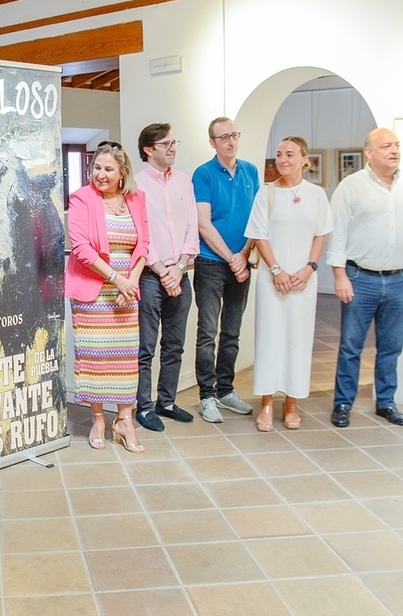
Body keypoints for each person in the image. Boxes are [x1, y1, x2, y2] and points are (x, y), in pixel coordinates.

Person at [326, 128, 403, 428]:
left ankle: (386, 402)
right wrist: (339, 276)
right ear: (369, 152)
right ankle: (343, 403)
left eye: (396, 145)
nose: (394, 150)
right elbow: (337, 233)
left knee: (391, 347)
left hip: (398, 281)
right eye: (386, 146)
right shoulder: (351, 186)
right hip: (360, 278)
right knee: (351, 347)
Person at [65, 141, 149, 453]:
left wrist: (131, 282)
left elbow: (144, 245)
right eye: (97, 168)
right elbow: (81, 249)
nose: (100, 174)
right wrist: (116, 278)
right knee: (96, 357)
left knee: (126, 358)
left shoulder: (136, 199)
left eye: (108, 169)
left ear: (122, 172)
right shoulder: (82, 199)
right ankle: (99, 418)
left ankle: (124, 420)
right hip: (94, 291)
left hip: (127, 291)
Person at [245, 137, 332, 431]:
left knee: (298, 338)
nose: (283, 159)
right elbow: (259, 234)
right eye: (279, 154)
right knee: (269, 338)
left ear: (304, 159)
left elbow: (321, 234)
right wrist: (277, 269)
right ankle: (267, 402)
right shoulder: (266, 193)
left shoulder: (316, 194)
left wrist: (309, 268)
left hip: (304, 280)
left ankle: (292, 402)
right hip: (273, 279)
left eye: (290, 154)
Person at [192, 117, 260, 423]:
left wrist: (243, 255)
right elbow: (203, 224)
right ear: (212, 143)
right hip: (210, 263)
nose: (231, 142)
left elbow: (258, 220)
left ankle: (226, 390)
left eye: (234, 135)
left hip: (241, 262)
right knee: (208, 333)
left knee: (232, 332)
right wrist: (232, 257)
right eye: (224, 137)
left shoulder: (251, 171)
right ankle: (207, 396)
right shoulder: (203, 174)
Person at [133, 124, 199, 432]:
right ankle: (144, 407)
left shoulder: (184, 181)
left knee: (174, 344)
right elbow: (140, 234)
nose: (173, 148)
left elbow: (191, 227)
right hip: (150, 275)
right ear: (149, 149)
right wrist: (162, 271)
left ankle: (167, 402)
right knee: (146, 347)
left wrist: (180, 267)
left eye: (175, 142)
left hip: (181, 272)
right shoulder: (135, 185)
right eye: (166, 143)